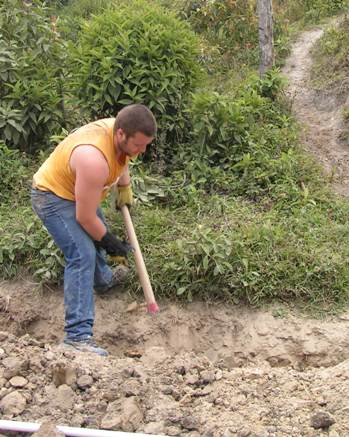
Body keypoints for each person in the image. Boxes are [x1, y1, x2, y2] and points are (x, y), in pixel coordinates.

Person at [31, 104, 157, 357]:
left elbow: (123, 159)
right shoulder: (93, 159)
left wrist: (124, 186)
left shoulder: (125, 132)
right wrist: (111, 243)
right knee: (82, 254)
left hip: (80, 191)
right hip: (53, 197)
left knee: (96, 235)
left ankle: (103, 281)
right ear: (120, 134)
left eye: (145, 145)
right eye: (138, 146)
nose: (141, 151)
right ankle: (76, 337)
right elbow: (85, 218)